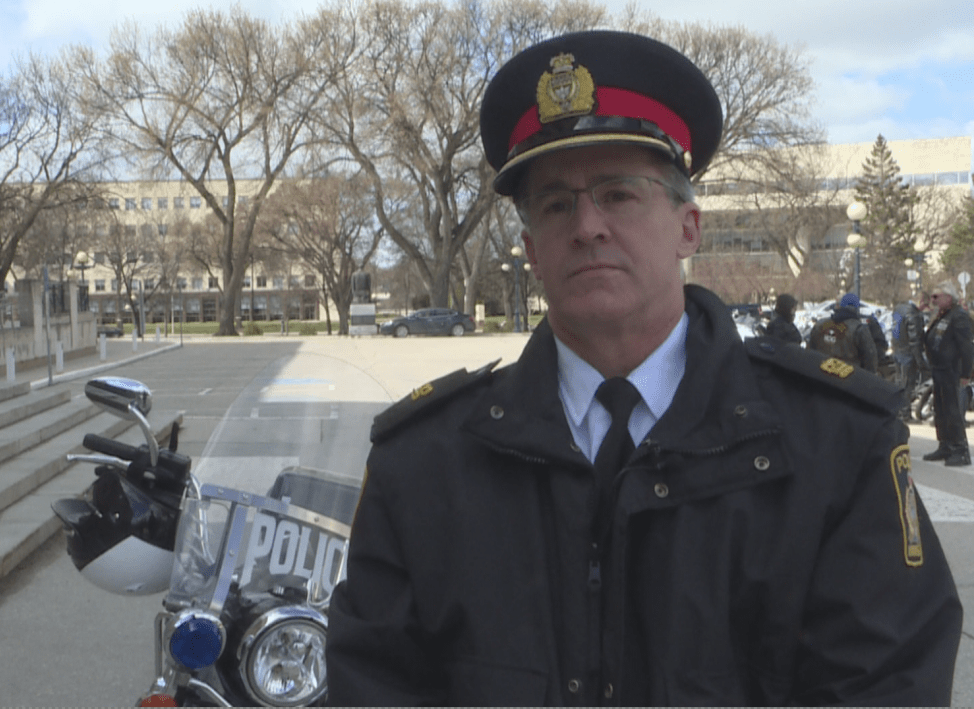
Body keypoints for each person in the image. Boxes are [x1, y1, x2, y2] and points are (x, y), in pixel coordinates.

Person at [325, 30, 961, 706]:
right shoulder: (423, 461)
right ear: (531, 250)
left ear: (687, 227)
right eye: (555, 203)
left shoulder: (834, 445)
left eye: (618, 194)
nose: (587, 225)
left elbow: (886, 681)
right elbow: (374, 680)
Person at [922, 280, 973, 466]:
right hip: (939, 369)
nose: (933, 300)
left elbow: (966, 347)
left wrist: (966, 373)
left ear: (948, 297)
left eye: (936, 296)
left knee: (953, 411)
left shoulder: (959, 316)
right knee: (941, 410)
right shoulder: (941, 316)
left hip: (952, 370)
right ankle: (945, 445)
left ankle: (960, 450)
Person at [806, 292, 879, 372]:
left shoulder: (820, 325)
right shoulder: (859, 329)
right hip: (849, 378)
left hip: (821, 375)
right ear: (856, 308)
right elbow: (870, 358)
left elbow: (809, 351)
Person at [893, 298, 928, 418]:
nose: (925, 308)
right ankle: (905, 412)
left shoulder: (899, 309)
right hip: (907, 353)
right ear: (921, 301)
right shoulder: (913, 314)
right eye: (925, 304)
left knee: (899, 383)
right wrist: (920, 360)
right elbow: (915, 339)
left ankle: (898, 410)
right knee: (907, 385)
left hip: (897, 350)